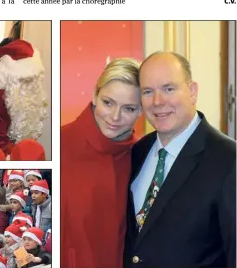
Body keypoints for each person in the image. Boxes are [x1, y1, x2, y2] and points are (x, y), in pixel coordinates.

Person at [124, 52, 236, 268]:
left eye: (168, 89)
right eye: (148, 92)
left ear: (192, 92)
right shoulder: (138, 151)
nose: (158, 102)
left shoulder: (229, 160)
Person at [61, 58, 141, 268]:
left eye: (129, 109)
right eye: (108, 102)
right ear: (95, 95)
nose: (115, 117)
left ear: (142, 111)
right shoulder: (60, 145)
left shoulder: (144, 156)